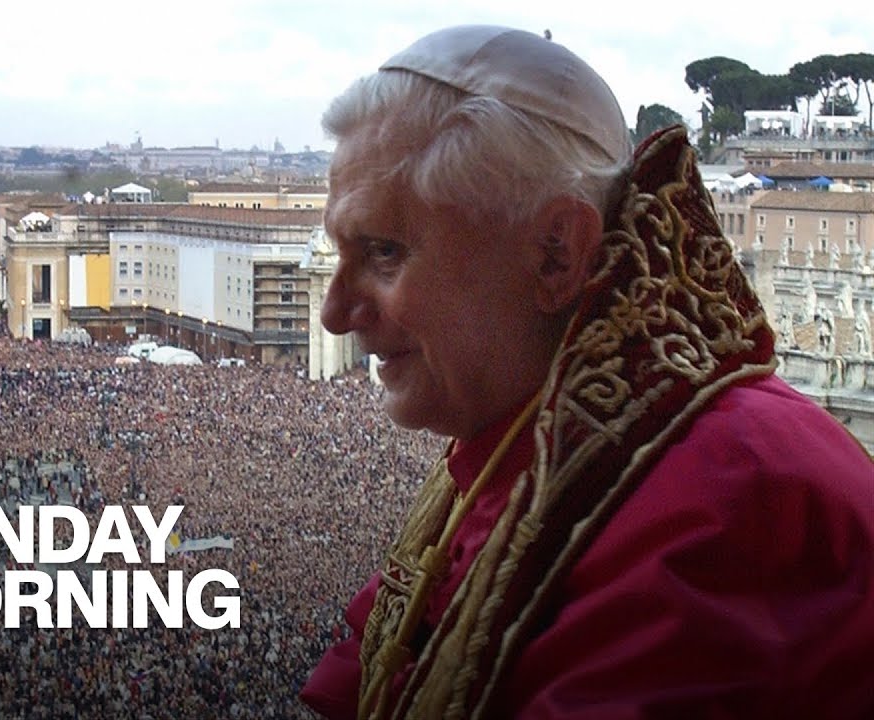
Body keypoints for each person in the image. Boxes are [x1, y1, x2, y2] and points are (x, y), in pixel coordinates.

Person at [300, 24, 874, 720]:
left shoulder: (733, 505)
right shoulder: (519, 441)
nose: (334, 311)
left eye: (384, 253)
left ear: (556, 253)